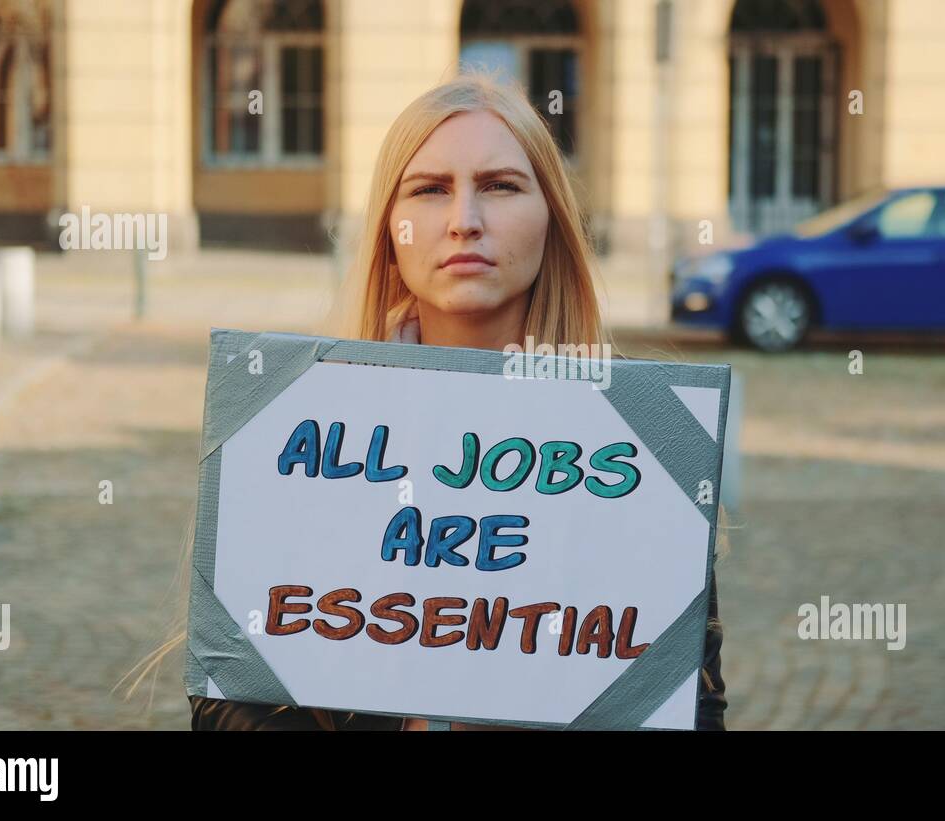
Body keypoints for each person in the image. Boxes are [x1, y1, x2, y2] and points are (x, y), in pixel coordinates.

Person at [177, 71, 727, 730]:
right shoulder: (301, 429)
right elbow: (227, 698)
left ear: (552, 217)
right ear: (389, 228)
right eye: (430, 190)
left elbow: (692, 707)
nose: (465, 221)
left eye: (500, 186)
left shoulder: (637, 448)